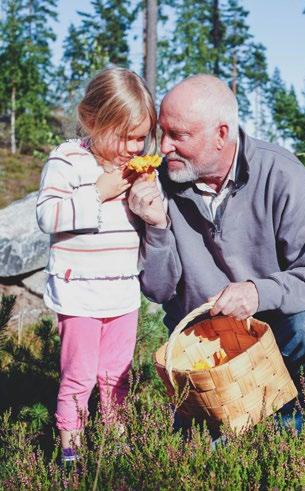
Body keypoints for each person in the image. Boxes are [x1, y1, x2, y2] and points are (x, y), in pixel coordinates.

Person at [129, 74, 305, 430]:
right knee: (201, 463)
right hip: (203, 347)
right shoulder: (158, 184)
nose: (163, 147)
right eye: (161, 133)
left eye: (178, 135)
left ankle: (290, 420)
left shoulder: (283, 175)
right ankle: (226, 430)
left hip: (276, 332)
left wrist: (258, 292)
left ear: (222, 135)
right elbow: (158, 290)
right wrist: (156, 226)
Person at [36, 67, 158, 464]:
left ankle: (115, 441)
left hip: (123, 291)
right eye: (125, 136)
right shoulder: (68, 160)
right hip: (80, 291)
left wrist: (147, 201)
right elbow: (48, 216)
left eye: (140, 137)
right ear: (92, 121)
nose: (134, 147)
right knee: (80, 374)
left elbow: (140, 225)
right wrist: (97, 192)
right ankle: (70, 445)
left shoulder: (136, 168)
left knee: (116, 375)